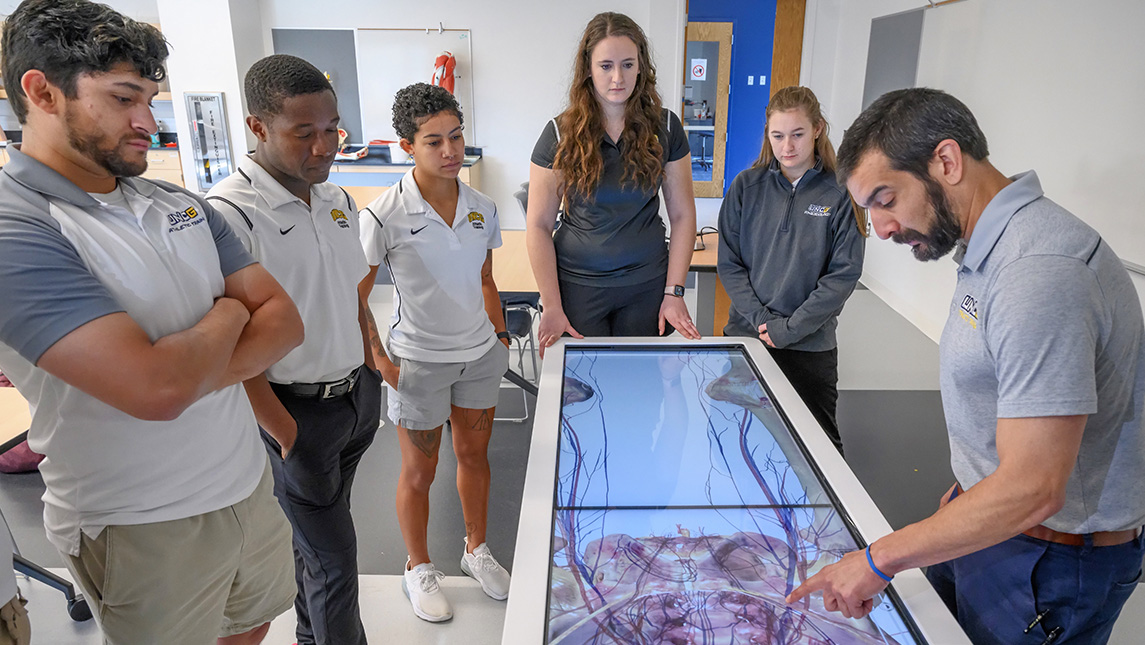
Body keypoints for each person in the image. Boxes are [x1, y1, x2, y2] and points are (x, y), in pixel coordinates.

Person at [787, 88, 1145, 644]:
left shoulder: (1037, 272)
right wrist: (963, 495)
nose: (880, 228)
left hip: (1044, 563)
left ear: (946, 162)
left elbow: (1034, 486)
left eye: (885, 199)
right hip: (992, 529)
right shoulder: (991, 247)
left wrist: (879, 559)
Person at [0, 1, 302, 644]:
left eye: (152, 98)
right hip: (140, 520)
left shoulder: (176, 203)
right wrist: (225, 313)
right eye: (123, 98)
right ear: (41, 91)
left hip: (244, 483)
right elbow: (154, 390)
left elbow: (283, 321)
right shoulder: (17, 226)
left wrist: (184, 367)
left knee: (252, 627)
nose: (148, 122)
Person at [206, 54, 382, 645]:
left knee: (318, 551)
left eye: (332, 129)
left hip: (354, 402)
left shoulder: (335, 199)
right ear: (257, 127)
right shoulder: (229, 213)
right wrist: (281, 428)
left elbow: (353, 296)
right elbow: (231, 343)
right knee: (335, 561)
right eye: (303, 133)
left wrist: (371, 369)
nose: (324, 145)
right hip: (294, 413)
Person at [357, 83, 511, 623]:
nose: (450, 151)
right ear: (407, 145)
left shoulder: (482, 207)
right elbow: (356, 293)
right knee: (419, 473)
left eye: (456, 137)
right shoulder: (384, 214)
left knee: (475, 460)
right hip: (417, 362)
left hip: (478, 358)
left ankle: (476, 551)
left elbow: (487, 278)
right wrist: (380, 360)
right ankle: (417, 566)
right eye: (433, 141)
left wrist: (500, 335)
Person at [527, 11, 701, 352]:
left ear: (641, 66)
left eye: (627, 64)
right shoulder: (558, 134)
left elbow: (683, 216)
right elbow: (538, 225)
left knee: (641, 390)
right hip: (578, 288)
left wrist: (674, 292)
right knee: (584, 396)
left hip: (647, 286)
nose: (617, 77)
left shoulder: (665, 127)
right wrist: (552, 304)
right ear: (588, 70)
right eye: (606, 66)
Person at [717, 86, 865, 455]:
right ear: (767, 134)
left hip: (809, 346)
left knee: (818, 447)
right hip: (748, 337)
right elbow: (730, 263)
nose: (787, 146)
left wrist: (791, 328)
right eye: (778, 136)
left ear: (817, 129)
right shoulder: (745, 187)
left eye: (797, 134)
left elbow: (843, 275)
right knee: (739, 441)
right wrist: (764, 322)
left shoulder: (840, 194)